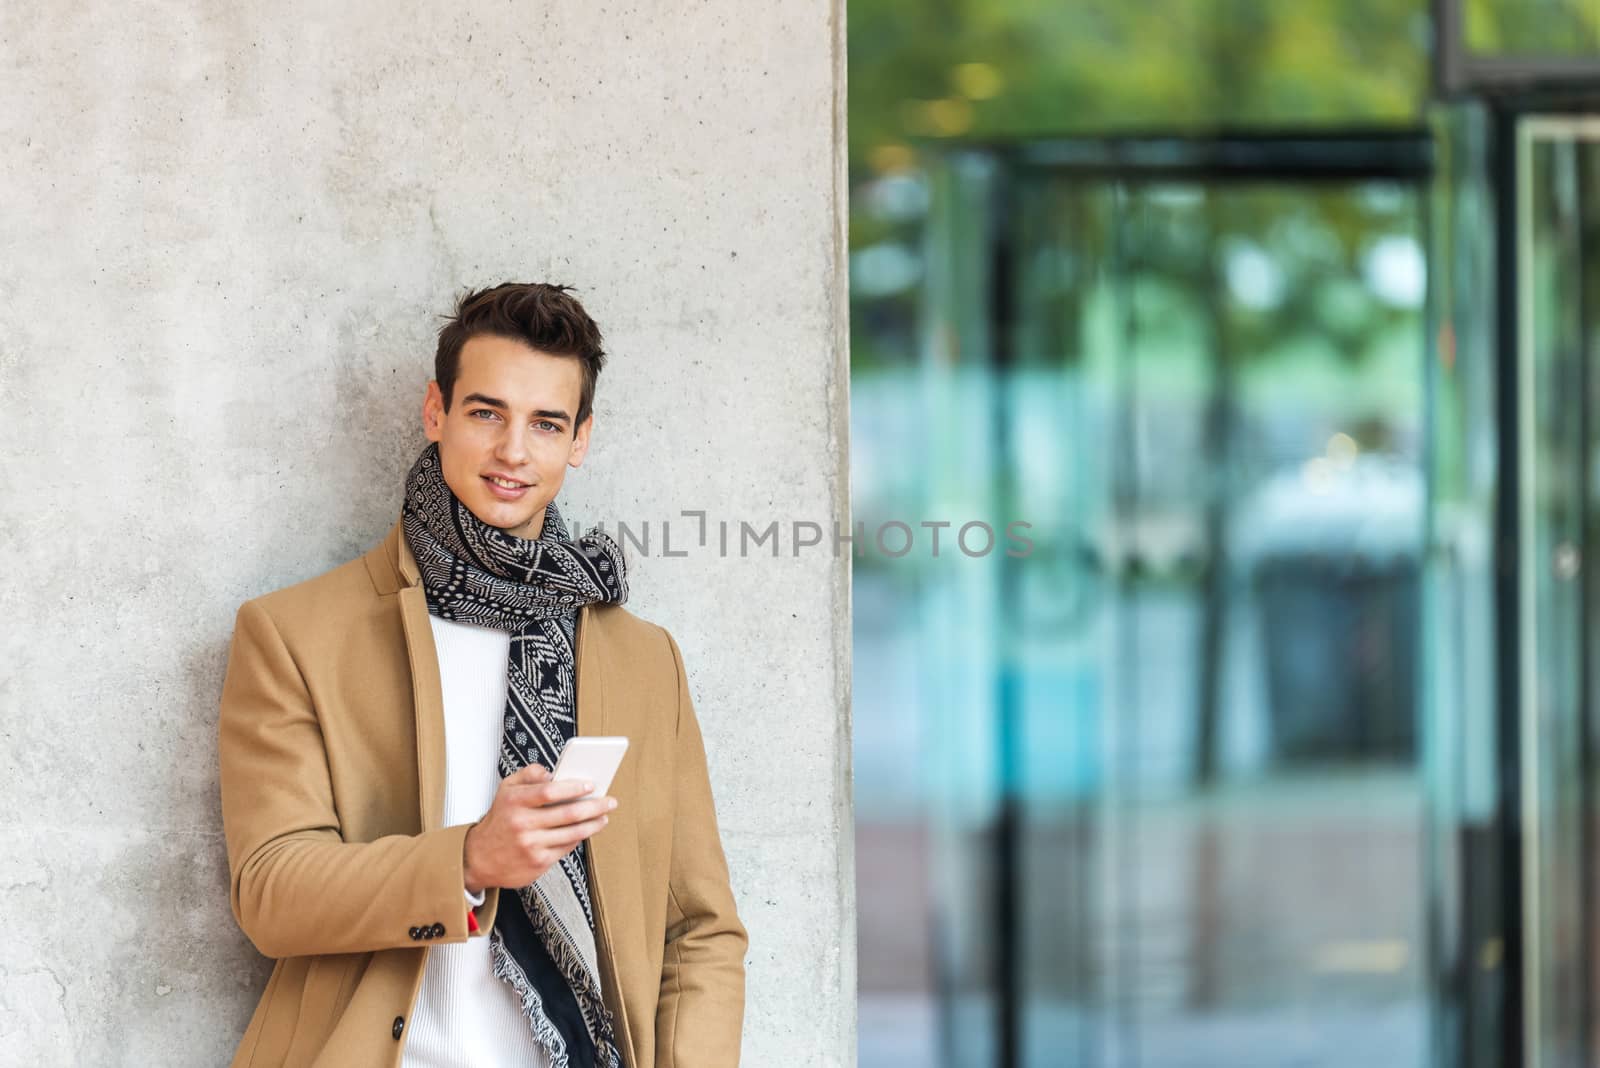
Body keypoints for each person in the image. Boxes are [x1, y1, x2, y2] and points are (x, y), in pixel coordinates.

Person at [217, 282, 748, 1068]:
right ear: (436, 411)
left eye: (546, 423)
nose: (513, 451)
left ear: (581, 440)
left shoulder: (641, 660)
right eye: (486, 412)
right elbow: (271, 893)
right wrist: (467, 861)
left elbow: (696, 930)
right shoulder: (295, 634)